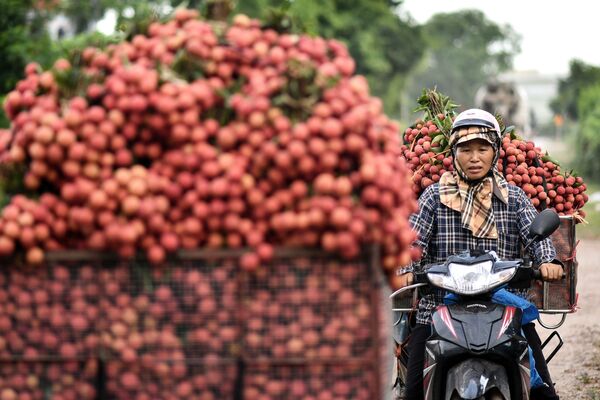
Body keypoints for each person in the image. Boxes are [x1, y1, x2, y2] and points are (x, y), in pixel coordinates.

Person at [397, 108, 563, 400]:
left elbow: (534, 236)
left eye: (482, 148)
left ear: (495, 151)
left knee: (542, 390)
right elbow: (411, 240)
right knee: (413, 392)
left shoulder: (513, 197)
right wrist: (404, 268)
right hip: (438, 308)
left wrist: (548, 261)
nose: (474, 157)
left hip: (504, 308)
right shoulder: (434, 196)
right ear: (453, 153)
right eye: (466, 149)